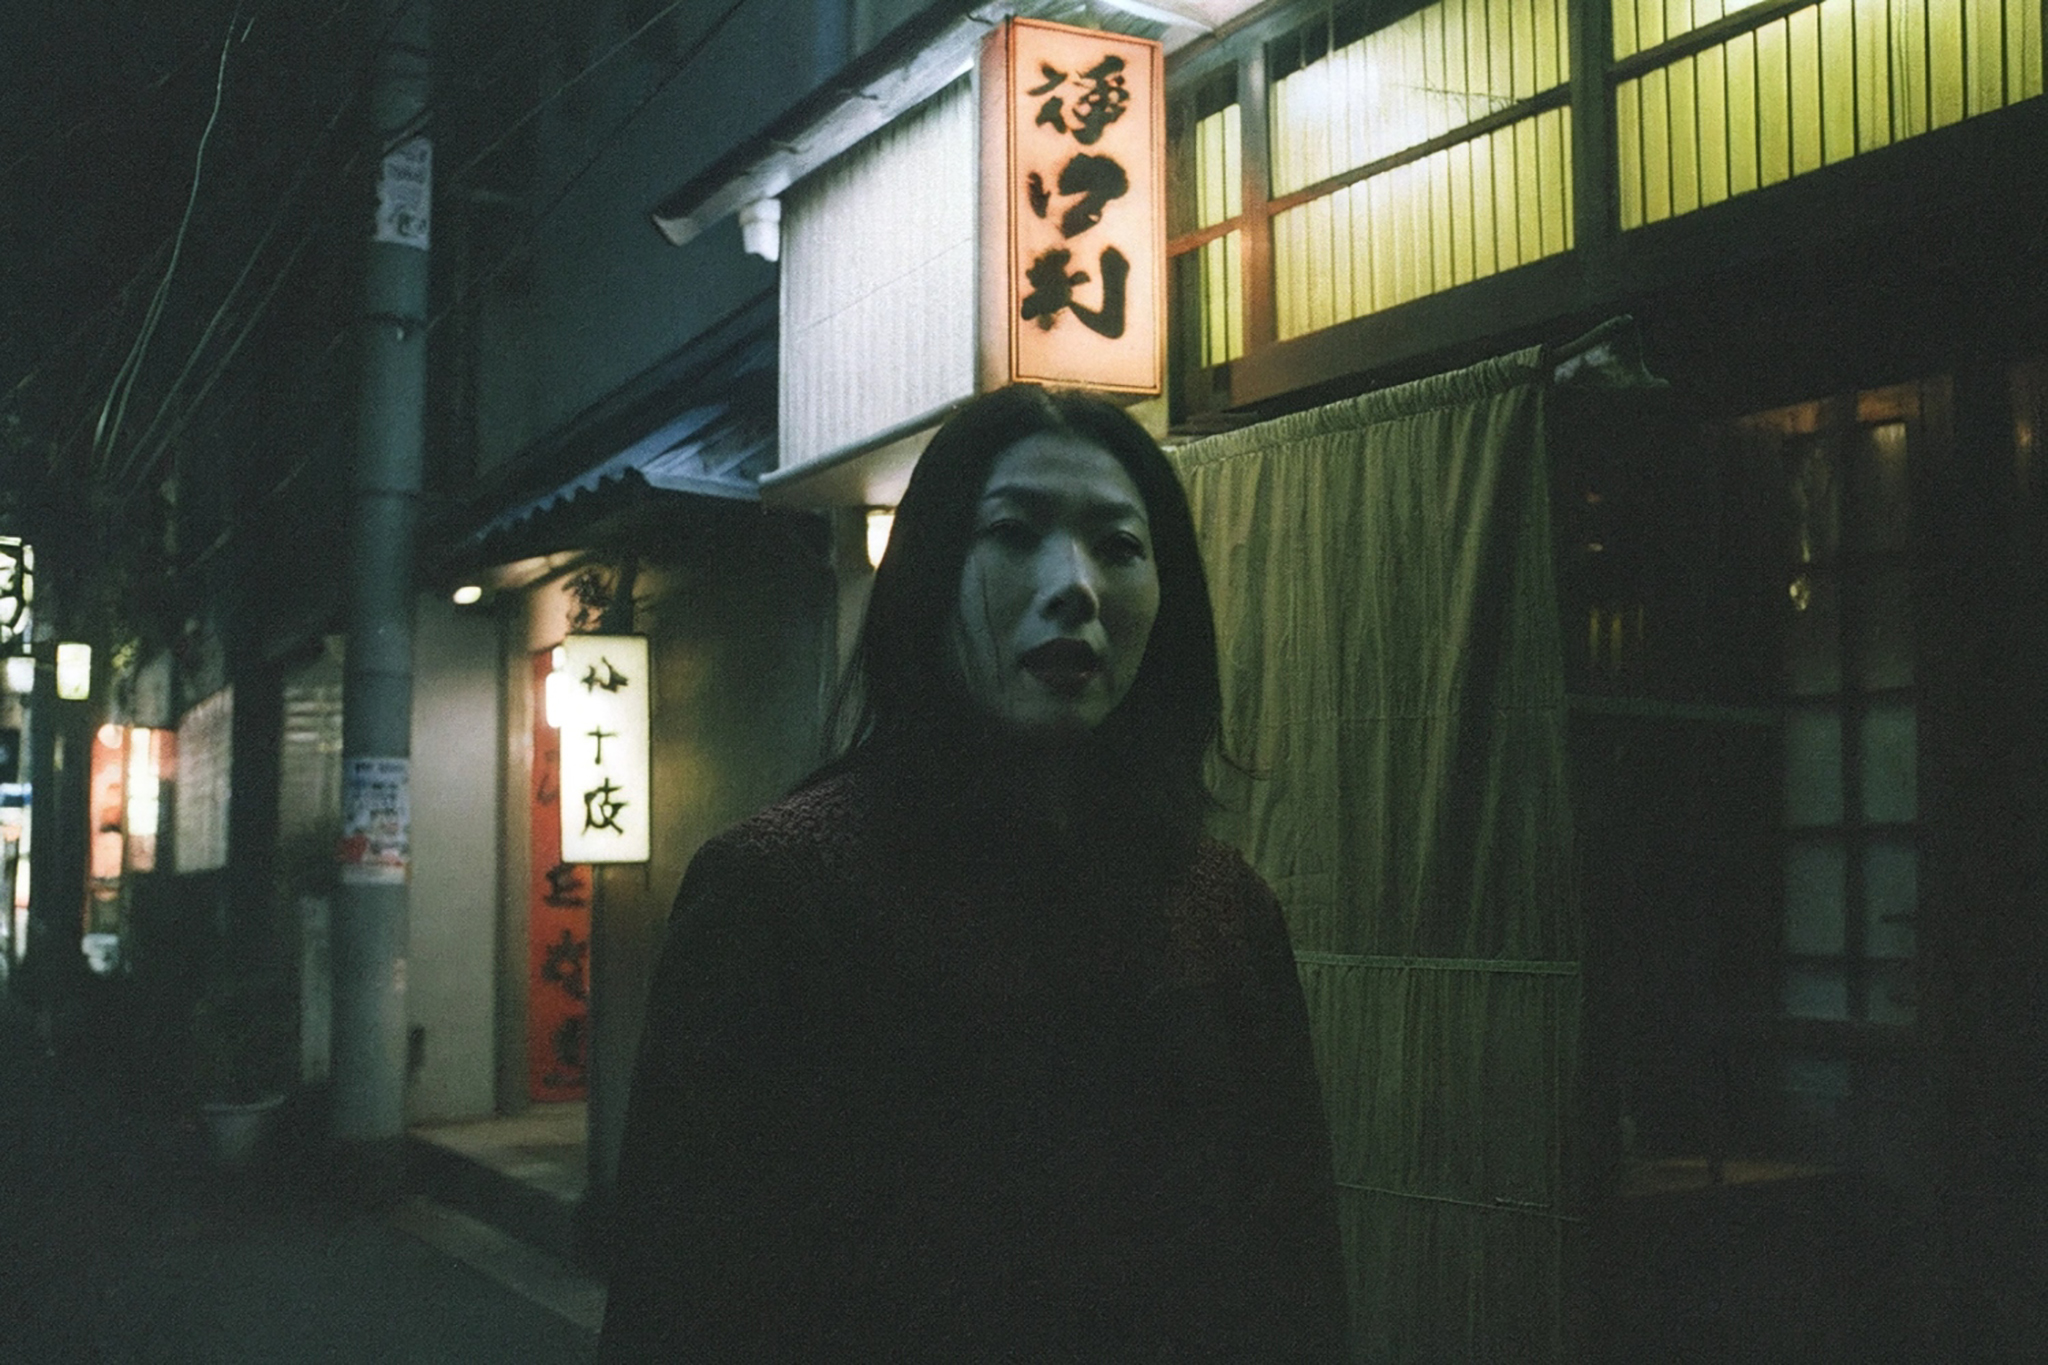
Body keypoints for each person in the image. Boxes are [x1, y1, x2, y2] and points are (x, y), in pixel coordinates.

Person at [600, 384, 1348, 1361]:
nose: (1073, 584)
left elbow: (1293, 1281)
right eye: (1012, 532)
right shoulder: (777, 894)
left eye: (1119, 546)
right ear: (927, 576)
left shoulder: (1223, 911)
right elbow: (680, 1300)